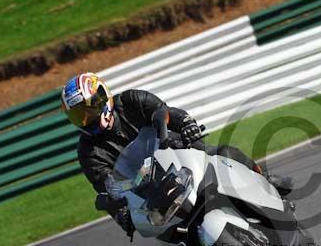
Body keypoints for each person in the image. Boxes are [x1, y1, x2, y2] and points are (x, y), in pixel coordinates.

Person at [61, 72, 291, 236]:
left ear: (102, 97)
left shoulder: (132, 100)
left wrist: (187, 124)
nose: (85, 118)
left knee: (223, 152)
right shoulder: (88, 152)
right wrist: (121, 216)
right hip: (146, 190)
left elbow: (165, 113)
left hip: (175, 150)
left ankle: (265, 181)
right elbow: (107, 188)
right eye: (78, 116)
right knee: (165, 232)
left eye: (87, 109)